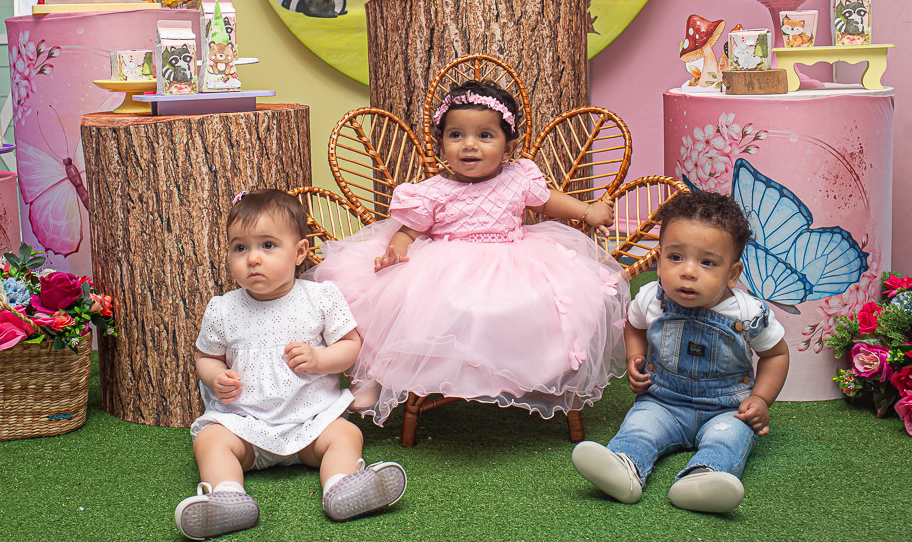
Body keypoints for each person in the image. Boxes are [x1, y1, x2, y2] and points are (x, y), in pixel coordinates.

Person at [308, 80, 630, 424]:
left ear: (509, 147)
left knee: (544, 302)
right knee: (393, 301)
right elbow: (408, 232)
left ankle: (538, 372)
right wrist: (395, 252)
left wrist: (587, 211)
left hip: (515, 260)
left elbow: (548, 201)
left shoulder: (518, 178)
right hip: (445, 267)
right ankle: (379, 374)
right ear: (441, 145)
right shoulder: (431, 192)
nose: (469, 145)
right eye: (456, 135)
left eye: (485, 136)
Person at [175, 190, 407, 540]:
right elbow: (206, 356)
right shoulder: (223, 309)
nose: (253, 258)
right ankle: (227, 496)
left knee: (346, 434)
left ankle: (341, 486)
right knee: (210, 440)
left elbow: (350, 346)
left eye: (268, 245)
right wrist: (216, 376)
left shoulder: (320, 297)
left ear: (299, 252)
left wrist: (319, 359)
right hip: (246, 426)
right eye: (240, 248)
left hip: (311, 421)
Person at [571, 190, 790, 514]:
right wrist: (635, 357)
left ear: (732, 273)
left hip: (726, 408)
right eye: (675, 257)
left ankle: (704, 477)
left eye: (707, 262)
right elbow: (634, 325)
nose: (688, 271)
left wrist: (760, 399)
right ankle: (624, 466)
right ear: (659, 260)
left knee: (729, 438)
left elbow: (776, 354)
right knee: (639, 428)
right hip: (663, 402)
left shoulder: (746, 312)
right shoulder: (652, 298)